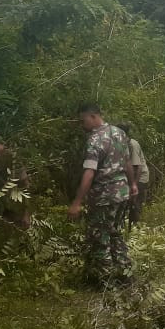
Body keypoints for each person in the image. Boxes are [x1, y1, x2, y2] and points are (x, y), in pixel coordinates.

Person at [67, 104, 138, 287]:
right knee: (115, 234)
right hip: (122, 194)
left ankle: (106, 282)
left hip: (104, 197)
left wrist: (77, 202)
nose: (82, 124)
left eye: (83, 120)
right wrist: (133, 185)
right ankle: (125, 274)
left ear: (92, 116)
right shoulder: (119, 133)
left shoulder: (95, 140)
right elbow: (128, 162)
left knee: (101, 238)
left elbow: (89, 172)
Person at [116, 122, 149, 227]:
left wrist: (133, 185)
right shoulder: (122, 144)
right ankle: (127, 226)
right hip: (131, 177)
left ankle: (135, 228)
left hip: (140, 177)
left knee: (135, 203)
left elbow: (137, 167)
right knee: (128, 203)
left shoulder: (132, 144)